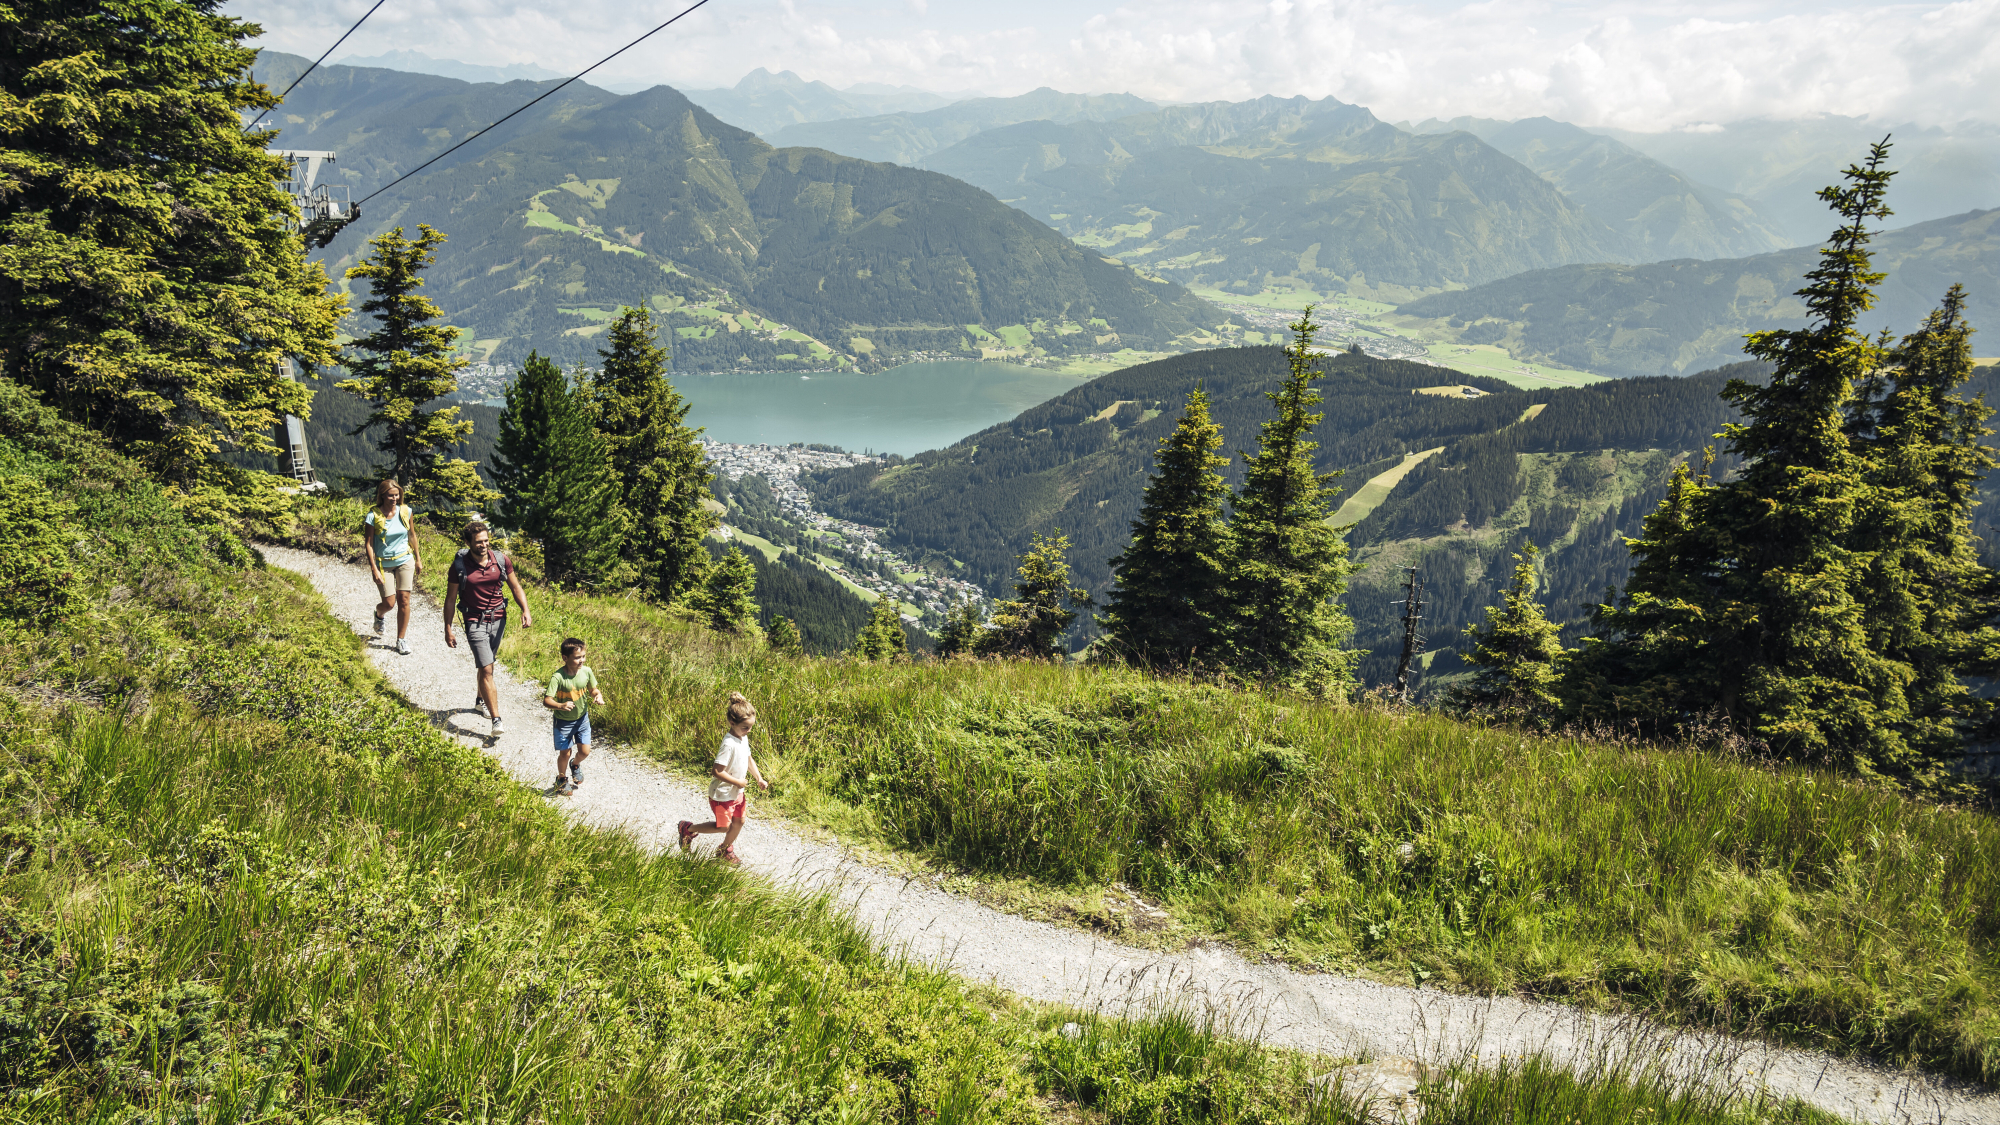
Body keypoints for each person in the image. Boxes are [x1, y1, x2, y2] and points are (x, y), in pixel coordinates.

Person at [442, 520, 533, 736]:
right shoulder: (459, 566)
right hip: (474, 621)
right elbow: (450, 599)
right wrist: (448, 627)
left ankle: (478, 700)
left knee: (486, 664)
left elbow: (515, 586)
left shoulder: (500, 560)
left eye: (486, 541)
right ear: (468, 542)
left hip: (499, 619)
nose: (484, 545)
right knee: (487, 668)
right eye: (479, 542)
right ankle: (496, 720)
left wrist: (525, 610)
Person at [678, 692, 768, 865]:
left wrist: (758, 778)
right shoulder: (728, 744)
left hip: (737, 793)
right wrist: (738, 782)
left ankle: (724, 850)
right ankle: (687, 829)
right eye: (745, 727)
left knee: (739, 821)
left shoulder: (743, 737)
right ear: (732, 723)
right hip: (722, 795)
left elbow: (748, 758)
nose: (749, 731)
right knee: (723, 826)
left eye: (750, 727)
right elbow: (717, 771)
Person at [362, 480, 422, 654]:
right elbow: (369, 544)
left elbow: (412, 534)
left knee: (404, 600)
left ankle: (401, 640)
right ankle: (379, 615)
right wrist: (373, 568)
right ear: (382, 495)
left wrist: (418, 559)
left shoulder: (406, 511)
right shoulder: (373, 516)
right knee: (389, 603)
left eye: (397, 494)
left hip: (404, 560)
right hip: (383, 563)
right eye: (391, 495)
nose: (395, 498)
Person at [542, 637, 605, 795]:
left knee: (585, 751)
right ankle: (562, 779)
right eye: (577, 657)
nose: (581, 660)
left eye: (583, 656)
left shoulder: (587, 672)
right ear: (565, 658)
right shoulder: (558, 677)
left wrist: (598, 696)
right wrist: (560, 705)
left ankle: (575, 765)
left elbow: (593, 690)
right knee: (565, 752)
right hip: (563, 722)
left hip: (582, 719)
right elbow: (547, 700)